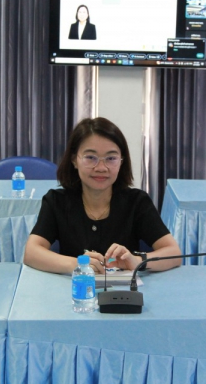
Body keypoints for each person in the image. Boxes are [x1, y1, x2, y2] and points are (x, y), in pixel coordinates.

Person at [23, 117, 181, 274]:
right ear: (74, 160)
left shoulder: (137, 202)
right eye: (91, 158)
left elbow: (174, 253)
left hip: (125, 288)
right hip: (74, 286)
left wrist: (137, 261)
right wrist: (77, 264)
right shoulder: (56, 201)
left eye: (111, 158)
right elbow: (31, 253)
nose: (101, 168)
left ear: (121, 162)